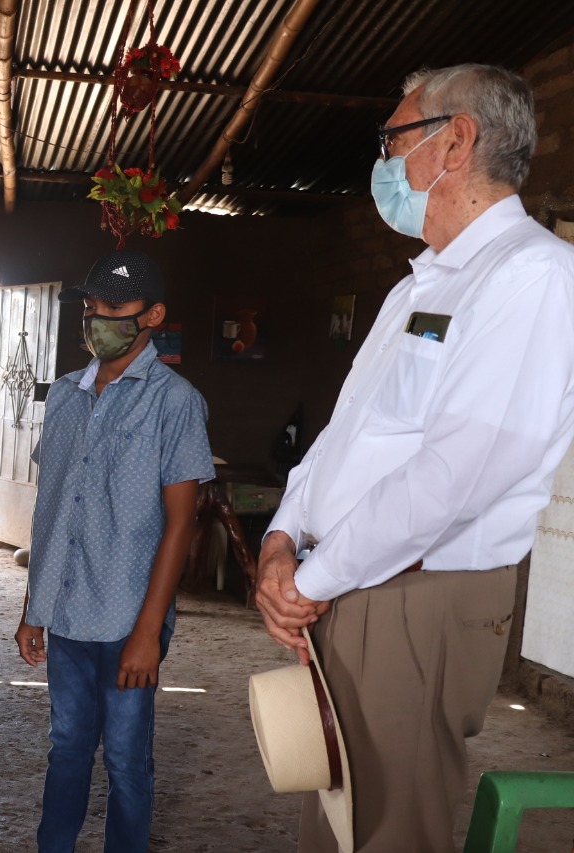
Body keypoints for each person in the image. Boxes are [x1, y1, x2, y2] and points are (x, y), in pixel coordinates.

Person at [255, 64, 574, 853]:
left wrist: (310, 583)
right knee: (340, 822)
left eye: (393, 139)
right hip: (354, 580)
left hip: (413, 596)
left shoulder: (530, 274)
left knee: (387, 828)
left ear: (456, 141)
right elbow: (346, 436)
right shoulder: (420, 287)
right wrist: (282, 538)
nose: (384, 162)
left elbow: (455, 475)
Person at [14, 249, 214, 852]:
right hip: (67, 612)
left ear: (152, 316)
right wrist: (33, 607)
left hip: (130, 617)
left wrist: (149, 631)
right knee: (67, 746)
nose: (98, 318)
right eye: (91, 305)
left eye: (115, 307)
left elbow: (181, 524)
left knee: (126, 758)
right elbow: (52, 511)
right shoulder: (65, 397)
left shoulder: (175, 402)